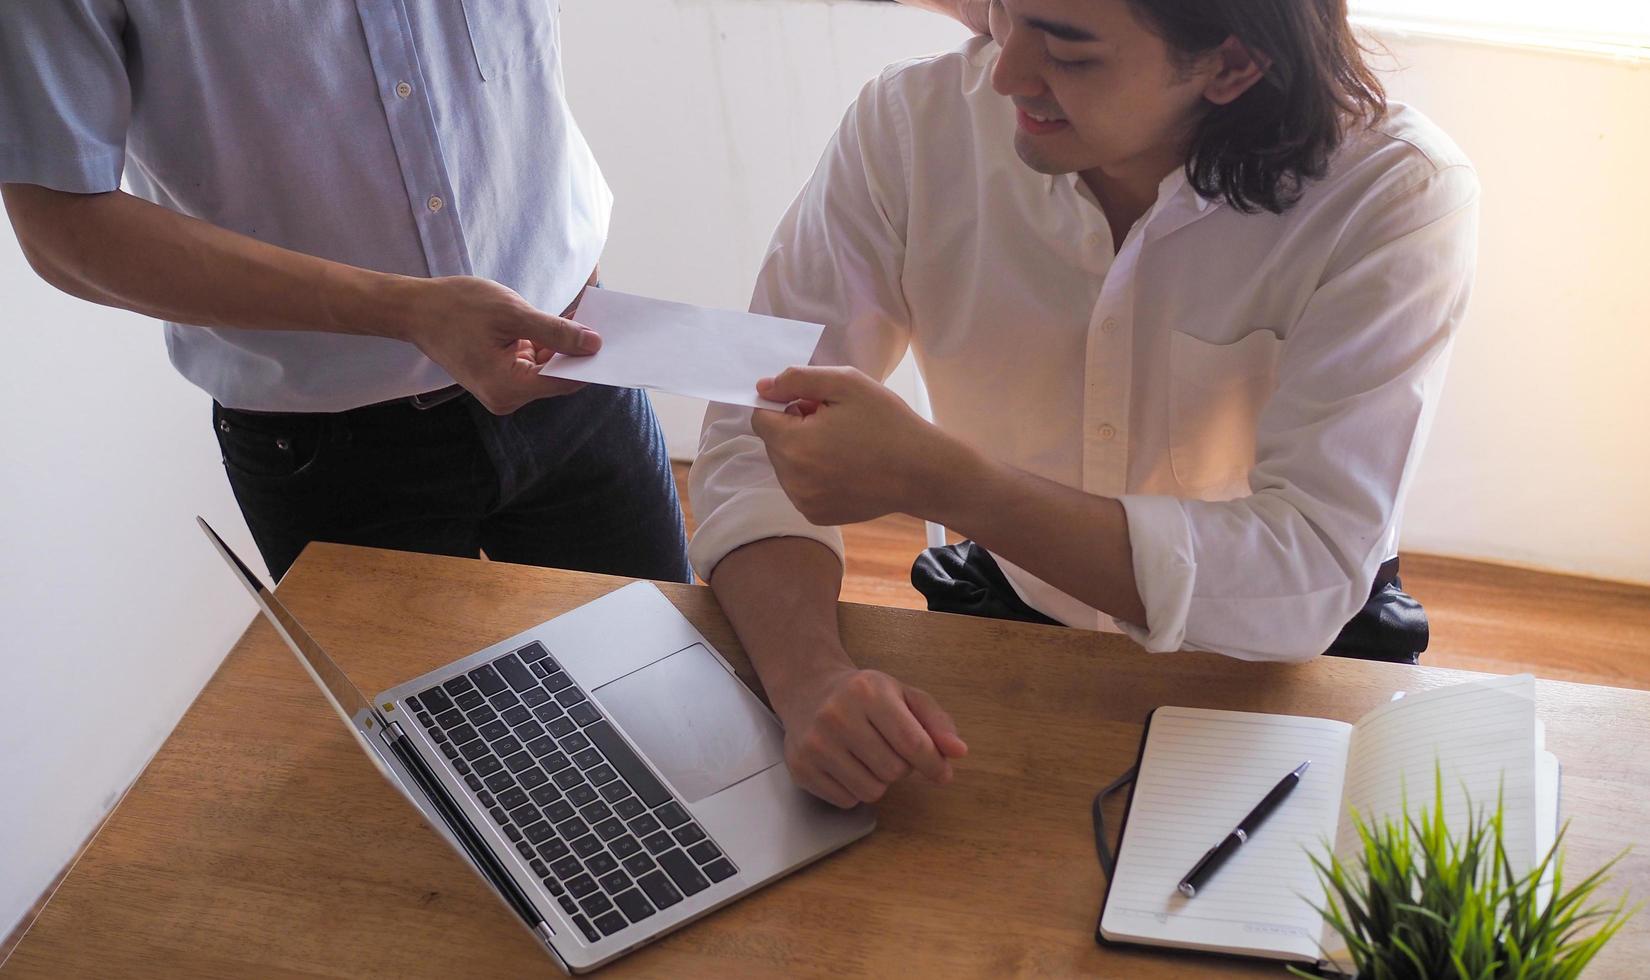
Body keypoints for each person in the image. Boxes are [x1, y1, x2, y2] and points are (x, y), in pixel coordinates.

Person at [689, 0, 1479, 809]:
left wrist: (948, 484)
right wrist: (810, 678)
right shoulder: (913, 126)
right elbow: (755, 430)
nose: (1004, 71)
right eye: (1005, 12)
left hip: (1286, 668)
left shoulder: (1391, 194)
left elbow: (1304, 570)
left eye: (1068, 51)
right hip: (1010, 618)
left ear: (1232, 65)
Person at [0, 0, 984, 582]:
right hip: (328, 449)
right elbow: (63, 225)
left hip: (584, 373)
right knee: (440, 796)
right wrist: (402, 308)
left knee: (672, 713)